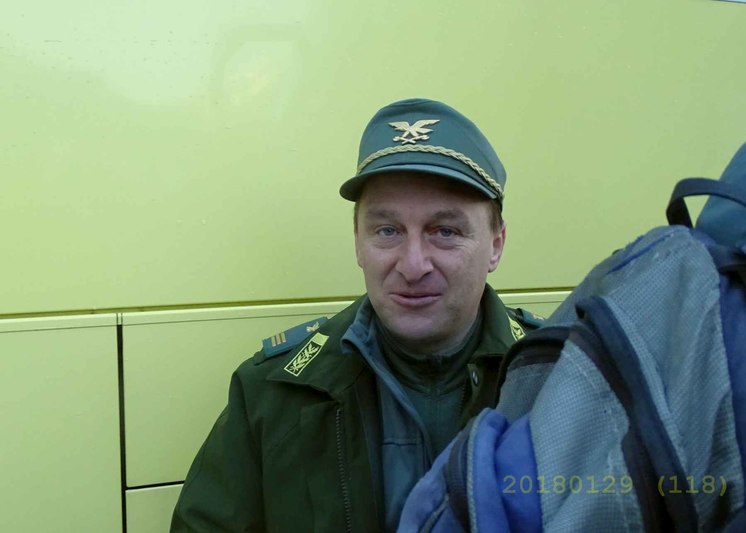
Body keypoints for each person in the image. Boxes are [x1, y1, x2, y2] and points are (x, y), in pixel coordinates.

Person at [170, 97, 543, 532]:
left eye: (445, 231)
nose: (413, 265)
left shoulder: (556, 381)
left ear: (495, 245)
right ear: (357, 242)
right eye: (387, 230)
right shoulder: (273, 396)